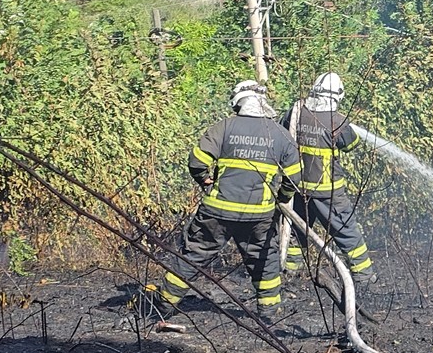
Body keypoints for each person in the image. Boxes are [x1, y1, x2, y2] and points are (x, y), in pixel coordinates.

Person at [157, 81, 301, 316]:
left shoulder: (223, 128)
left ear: (238, 102)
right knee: (263, 260)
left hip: (217, 211)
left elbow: (197, 161)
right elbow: (294, 178)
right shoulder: (280, 135)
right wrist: (282, 198)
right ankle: (268, 313)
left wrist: (205, 180)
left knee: (194, 255)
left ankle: (164, 303)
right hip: (258, 215)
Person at [280, 72, 375, 281]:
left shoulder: (296, 112)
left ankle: (288, 271)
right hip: (327, 191)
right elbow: (351, 144)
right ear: (337, 96)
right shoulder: (337, 121)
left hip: (296, 187)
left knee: (297, 230)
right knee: (346, 230)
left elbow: (281, 130)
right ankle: (363, 275)